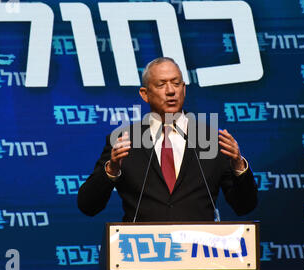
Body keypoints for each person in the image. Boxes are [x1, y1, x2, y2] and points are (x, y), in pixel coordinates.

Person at [77, 57, 258, 222]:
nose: (171, 91)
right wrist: (111, 169)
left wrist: (239, 167)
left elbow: (244, 206)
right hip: (143, 252)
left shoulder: (211, 139)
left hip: (200, 252)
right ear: (144, 94)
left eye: (176, 83)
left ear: (184, 89)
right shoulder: (124, 141)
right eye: (161, 84)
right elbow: (88, 206)